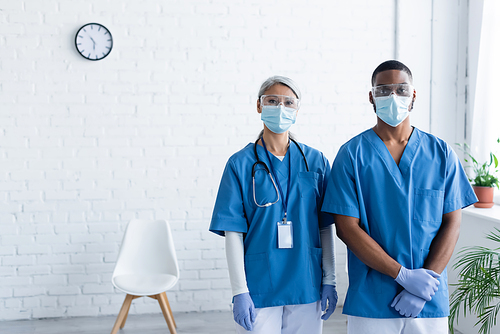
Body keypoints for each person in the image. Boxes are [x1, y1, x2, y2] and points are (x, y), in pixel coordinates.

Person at [321, 60, 477, 334]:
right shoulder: (352, 155)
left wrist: (423, 284)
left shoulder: (440, 154)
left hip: (428, 299)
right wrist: (402, 275)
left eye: (401, 89)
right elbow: (346, 228)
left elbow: (452, 222)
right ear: (371, 96)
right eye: (383, 90)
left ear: (413, 94)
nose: (393, 97)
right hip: (373, 297)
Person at [209, 76, 337, 333]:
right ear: (259, 106)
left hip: (306, 280)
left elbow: (325, 227)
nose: (280, 108)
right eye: (272, 101)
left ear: (297, 110)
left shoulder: (315, 161)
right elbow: (233, 231)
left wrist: (330, 280)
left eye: (288, 103)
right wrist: (239, 290)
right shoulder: (240, 164)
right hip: (260, 284)